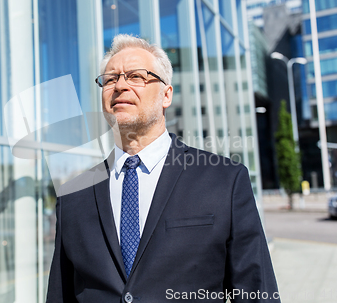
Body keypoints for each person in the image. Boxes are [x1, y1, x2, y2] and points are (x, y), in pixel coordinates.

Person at [47, 34, 280, 302]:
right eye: (110, 79)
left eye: (136, 76)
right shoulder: (73, 195)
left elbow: (256, 293)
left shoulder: (225, 181)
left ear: (166, 95)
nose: (120, 85)